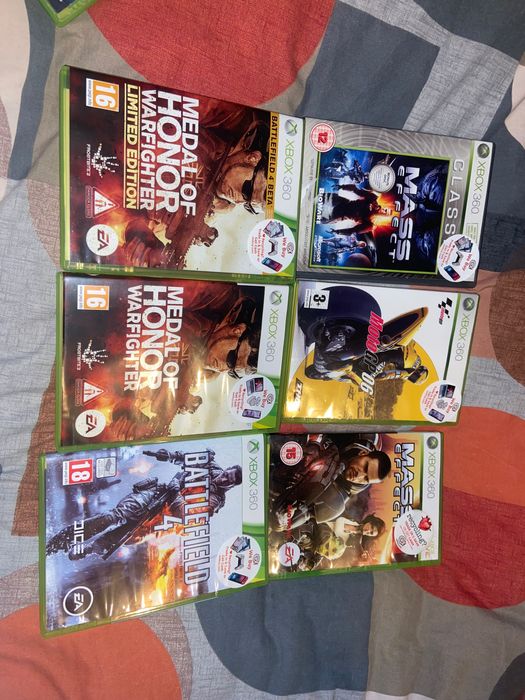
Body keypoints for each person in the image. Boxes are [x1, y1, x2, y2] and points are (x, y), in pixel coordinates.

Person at [122, 107, 269, 269]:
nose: (239, 200)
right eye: (247, 191)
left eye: (248, 205)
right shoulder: (231, 117)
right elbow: (158, 109)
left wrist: (144, 242)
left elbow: (132, 220)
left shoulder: (216, 209)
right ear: (253, 158)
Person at [46, 450, 242, 560]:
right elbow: (186, 458)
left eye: (229, 480)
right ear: (226, 469)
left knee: (119, 538)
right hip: (156, 494)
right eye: (227, 474)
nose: (224, 478)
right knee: (115, 516)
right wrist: (168, 455)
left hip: (162, 519)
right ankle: (63, 538)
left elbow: (186, 516)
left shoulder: (215, 501)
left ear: (231, 486)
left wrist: (176, 492)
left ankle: (88, 548)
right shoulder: (211, 465)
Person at [271, 434, 392, 531]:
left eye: (366, 479)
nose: (359, 476)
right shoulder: (356, 436)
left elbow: (306, 514)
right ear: (363, 453)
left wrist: (285, 520)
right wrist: (313, 444)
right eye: (365, 467)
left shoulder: (339, 498)